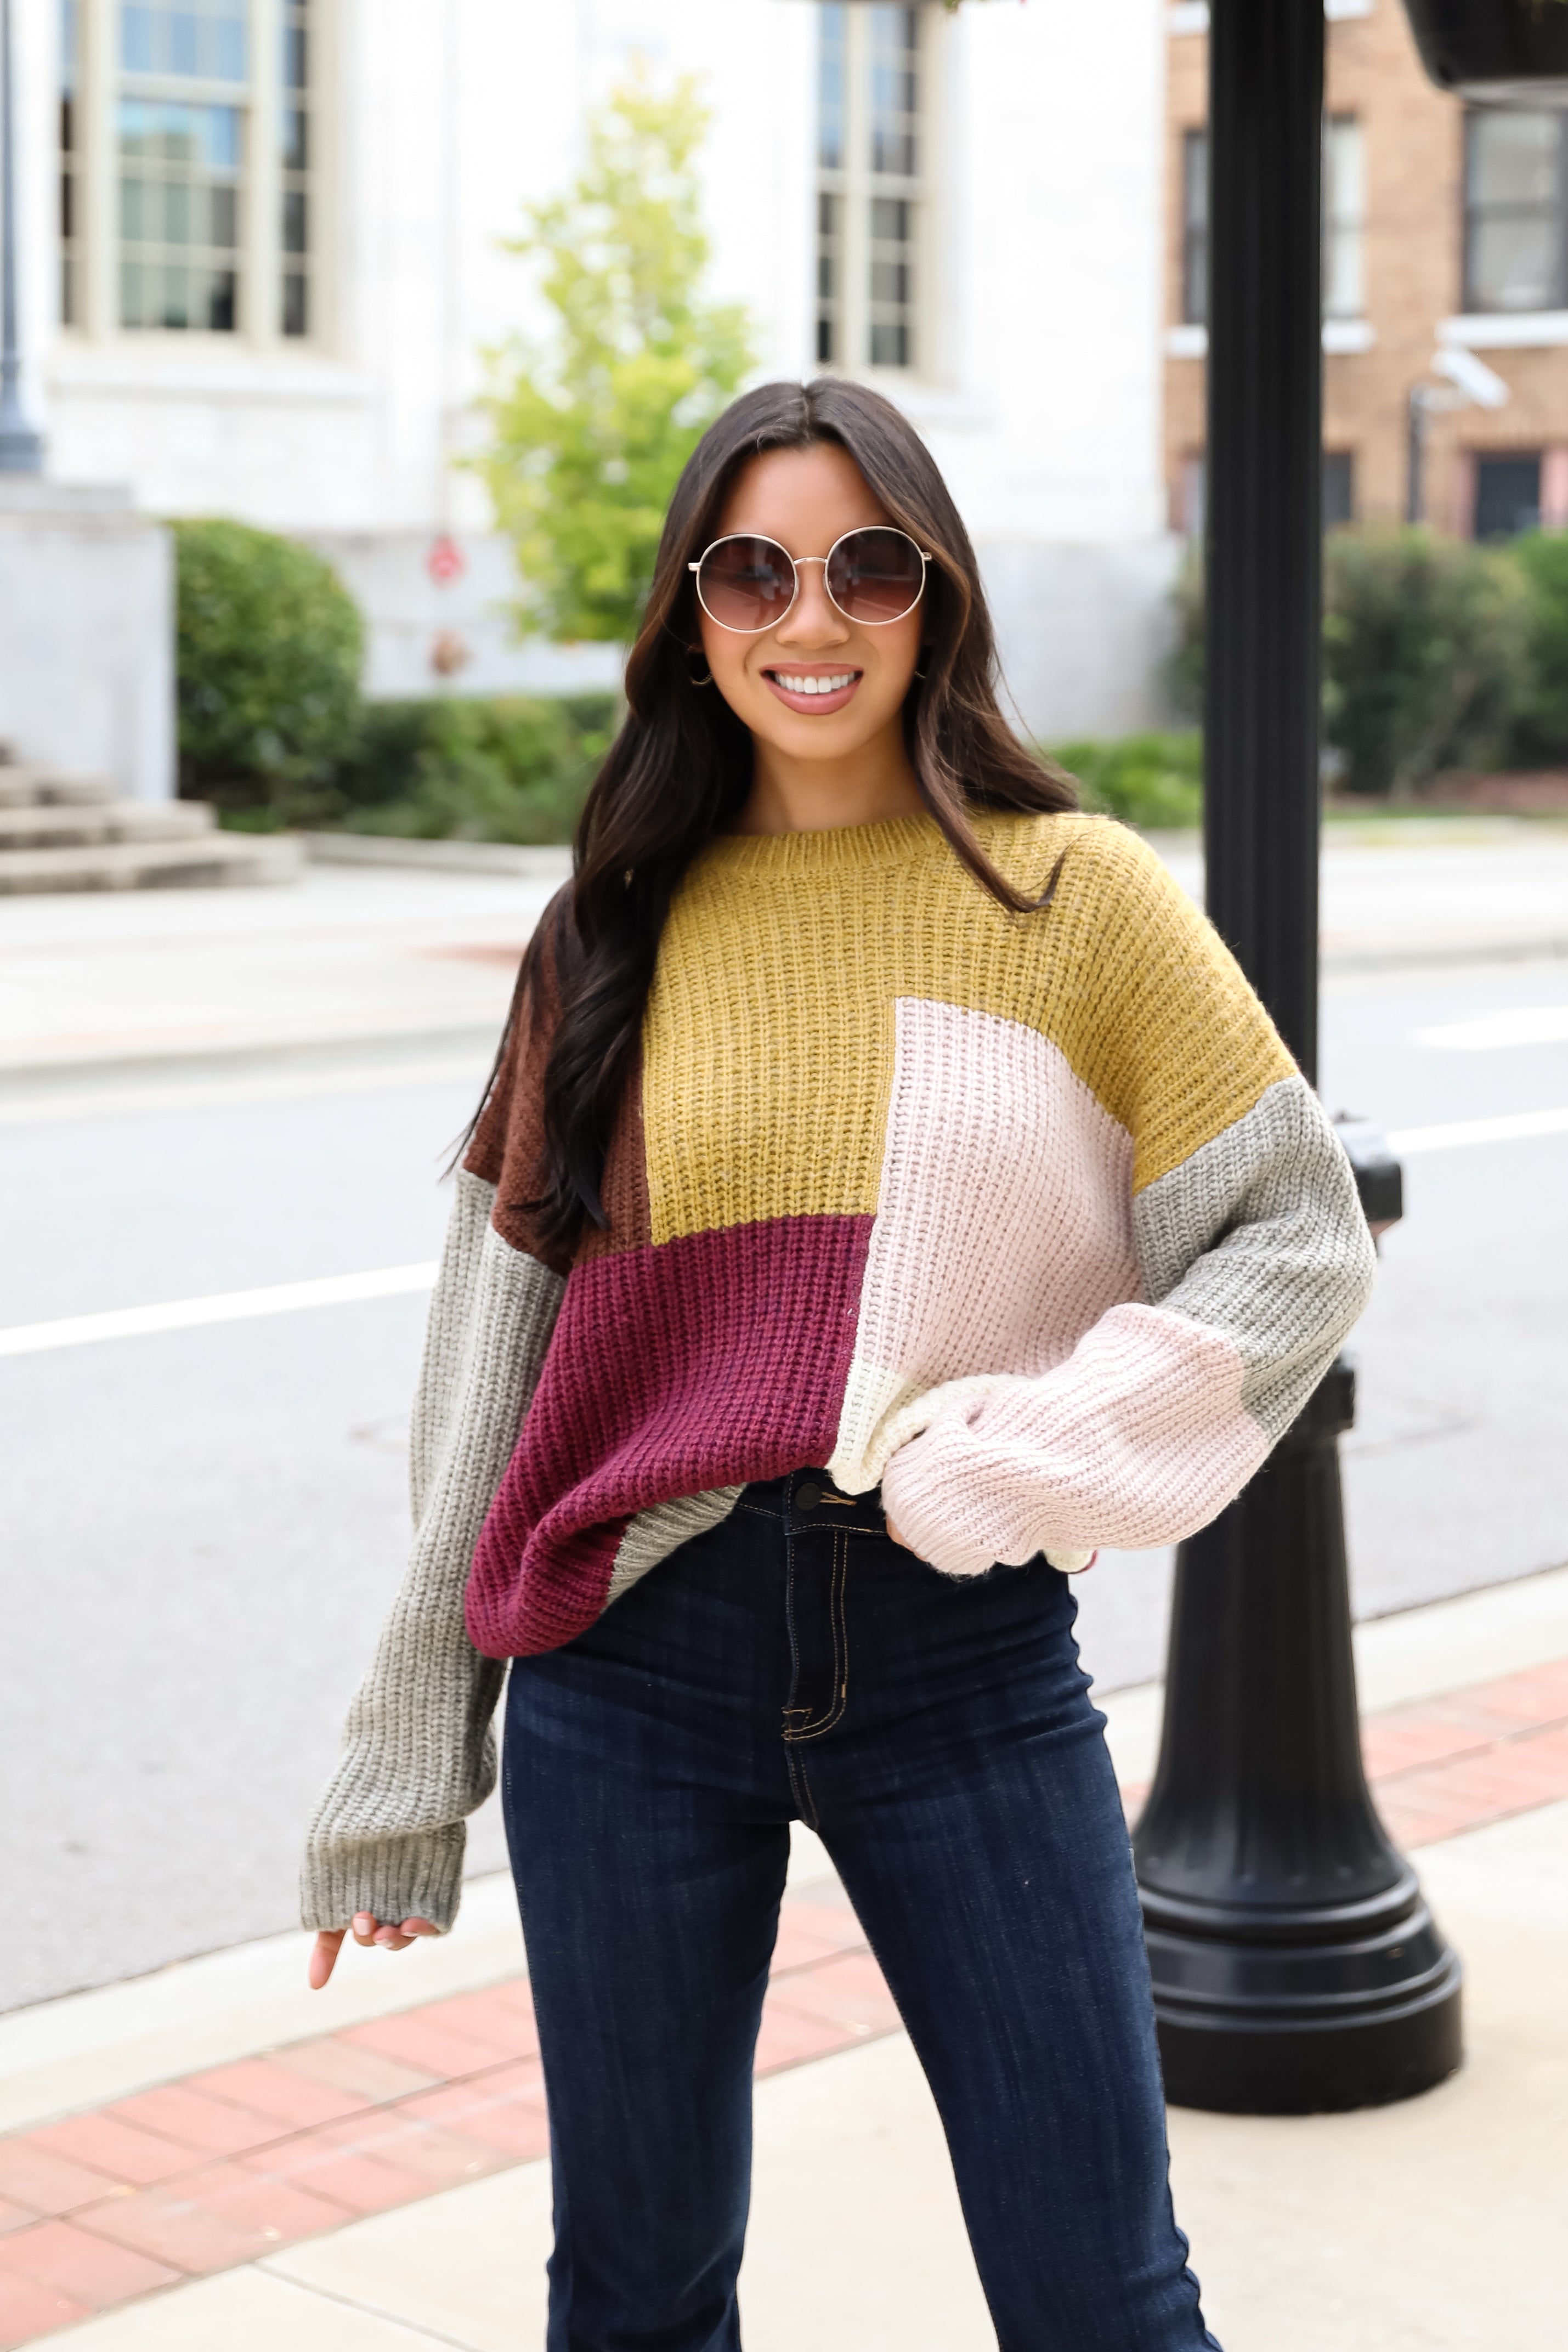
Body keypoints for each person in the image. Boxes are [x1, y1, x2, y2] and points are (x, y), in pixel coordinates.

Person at [301, 377, 1374, 2350]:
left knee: (1101, 2300)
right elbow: (496, 1366)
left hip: (958, 1661)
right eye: (753, 572)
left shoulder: (1074, 896)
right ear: (690, 618)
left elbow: (1298, 1235)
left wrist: (1044, 1449)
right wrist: (407, 1751)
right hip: (627, 1681)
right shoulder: (607, 929)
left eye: (866, 565)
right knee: (631, 2298)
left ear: (936, 595)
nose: (812, 620)